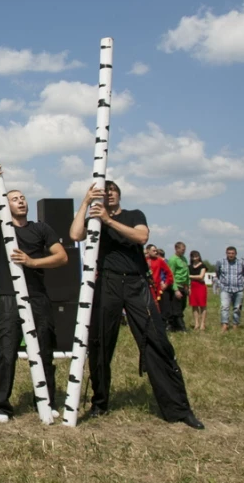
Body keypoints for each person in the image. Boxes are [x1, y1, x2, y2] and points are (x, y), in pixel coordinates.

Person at [69, 180, 203, 429]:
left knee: (157, 341)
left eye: (112, 190)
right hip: (107, 282)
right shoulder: (95, 219)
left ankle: (178, 409)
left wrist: (109, 221)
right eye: (103, 191)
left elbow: (142, 236)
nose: (108, 194)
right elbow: (75, 235)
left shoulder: (133, 215)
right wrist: (86, 203)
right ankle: (100, 402)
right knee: (99, 343)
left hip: (135, 283)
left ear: (119, 195)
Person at [0, 161, 68, 422]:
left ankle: (47, 400)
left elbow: (61, 257)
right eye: (14, 199)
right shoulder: (2, 229)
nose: (21, 201)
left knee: (43, 351)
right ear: (6, 205)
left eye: (23, 198)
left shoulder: (41, 229)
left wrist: (32, 262)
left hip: (37, 297)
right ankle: (1, 405)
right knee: (5, 352)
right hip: (8, 297)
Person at [215, 246, 244, 332]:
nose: (231, 255)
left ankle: (235, 324)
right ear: (226, 253)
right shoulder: (220, 262)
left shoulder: (241, 262)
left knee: (237, 308)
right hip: (225, 289)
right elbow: (218, 273)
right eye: (229, 253)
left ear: (236, 254)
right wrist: (220, 283)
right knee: (224, 307)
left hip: (238, 289)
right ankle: (224, 324)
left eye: (232, 253)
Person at [166, 241, 190, 332]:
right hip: (177, 286)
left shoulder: (184, 259)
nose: (184, 251)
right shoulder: (173, 259)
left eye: (184, 250)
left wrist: (188, 285)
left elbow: (187, 273)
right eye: (182, 250)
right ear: (176, 249)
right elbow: (171, 275)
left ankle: (173, 325)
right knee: (177, 309)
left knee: (183, 306)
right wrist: (175, 290)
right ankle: (182, 328)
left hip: (184, 286)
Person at [188, 251, 208, 331]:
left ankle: (202, 323)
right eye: (193, 256)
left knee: (202, 305)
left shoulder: (203, 266)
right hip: (192, 287)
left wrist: (189, 276)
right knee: (194, 305)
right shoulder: (189, 267)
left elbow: (201, 276)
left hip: (200, 286)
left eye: (196, 256)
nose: (195, 258)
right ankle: (196, 323)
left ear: (199, 256)